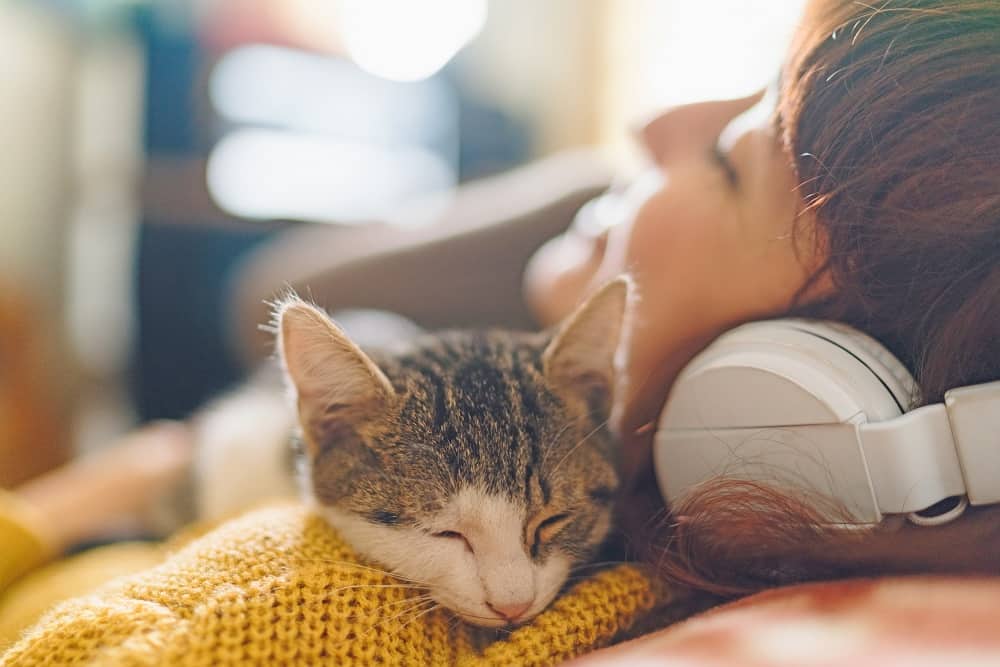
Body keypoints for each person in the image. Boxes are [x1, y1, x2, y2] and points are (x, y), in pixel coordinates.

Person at [3, 0, 999, 661]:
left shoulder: (298, 603)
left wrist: (73, 500)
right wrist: (608, 231)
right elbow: (276, 290)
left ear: (810, 393)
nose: (654, 124)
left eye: (737, 159)